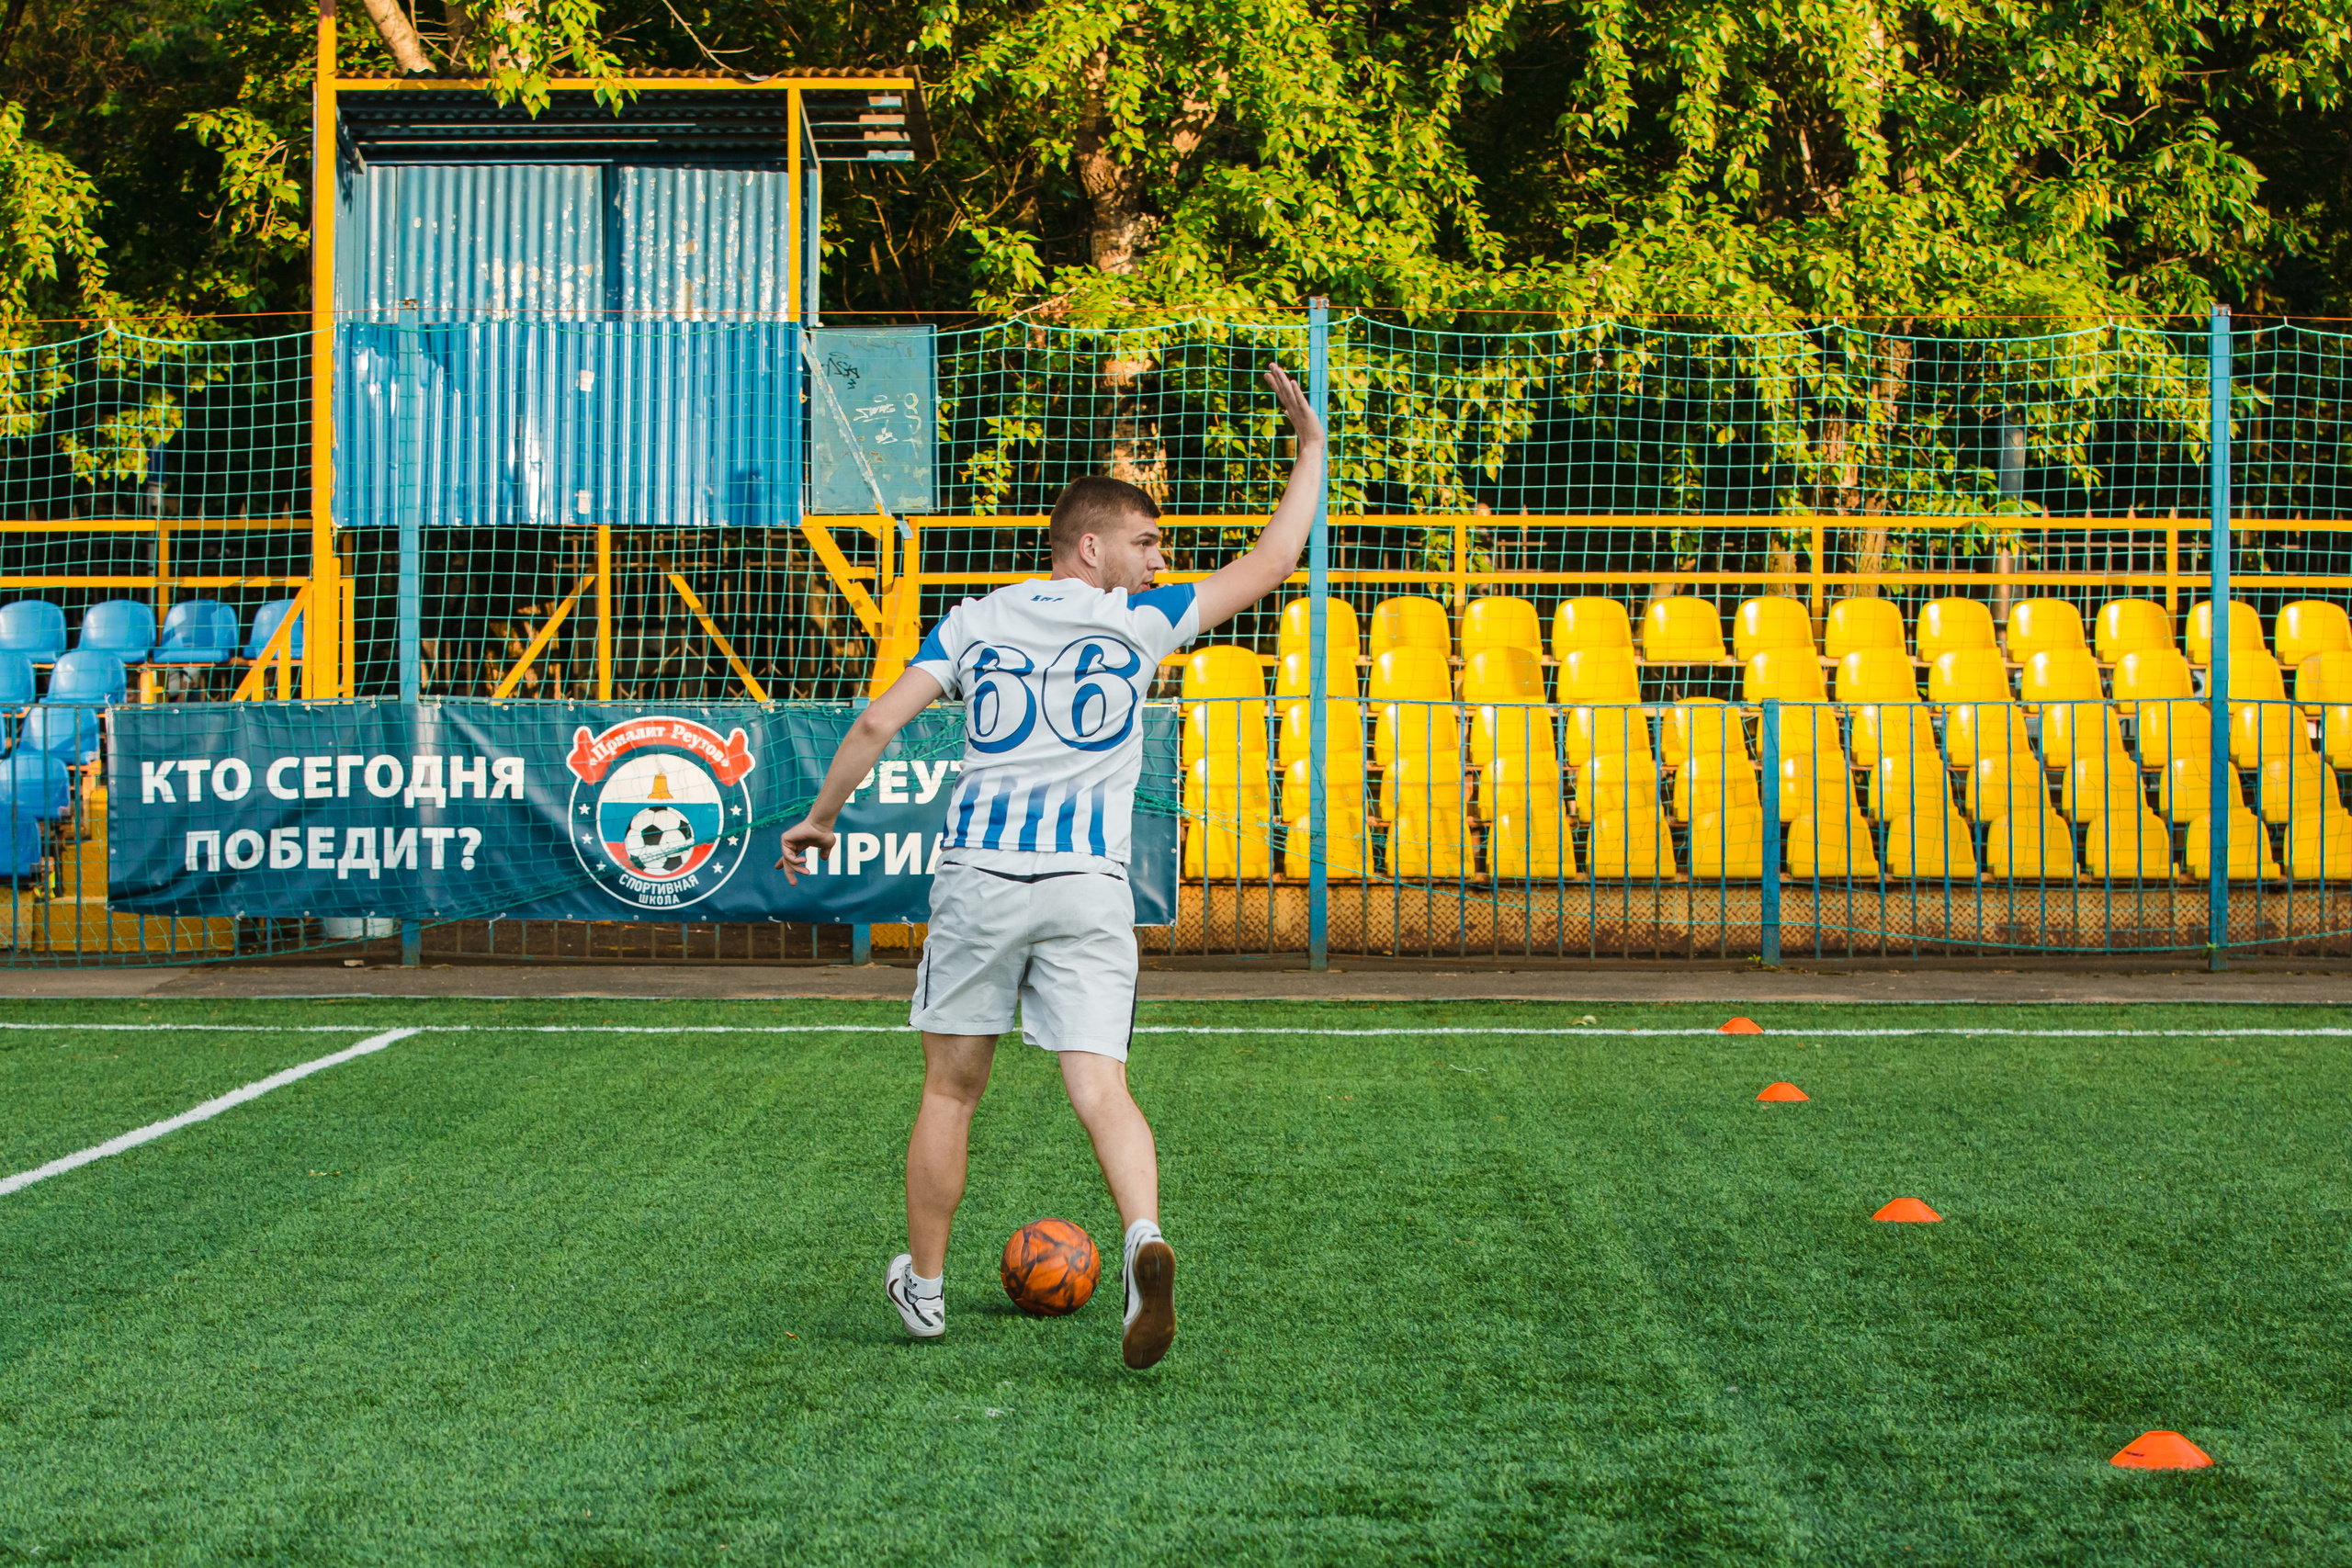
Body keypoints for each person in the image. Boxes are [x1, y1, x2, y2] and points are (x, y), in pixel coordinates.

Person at [775, 364, 1326, 1370]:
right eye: (1146, 542)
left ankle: (926, 1290)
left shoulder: (976, 619)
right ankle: (1142, 1242)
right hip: (1089, 885)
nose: (1159, 561)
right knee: (1102, 1089)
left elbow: (876, 721)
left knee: (950, 1089)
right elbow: (1274, 560)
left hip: (982, 877)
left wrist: (820, 818)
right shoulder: (1142, 623)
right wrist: (1309, 452)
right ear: (1091, 543)